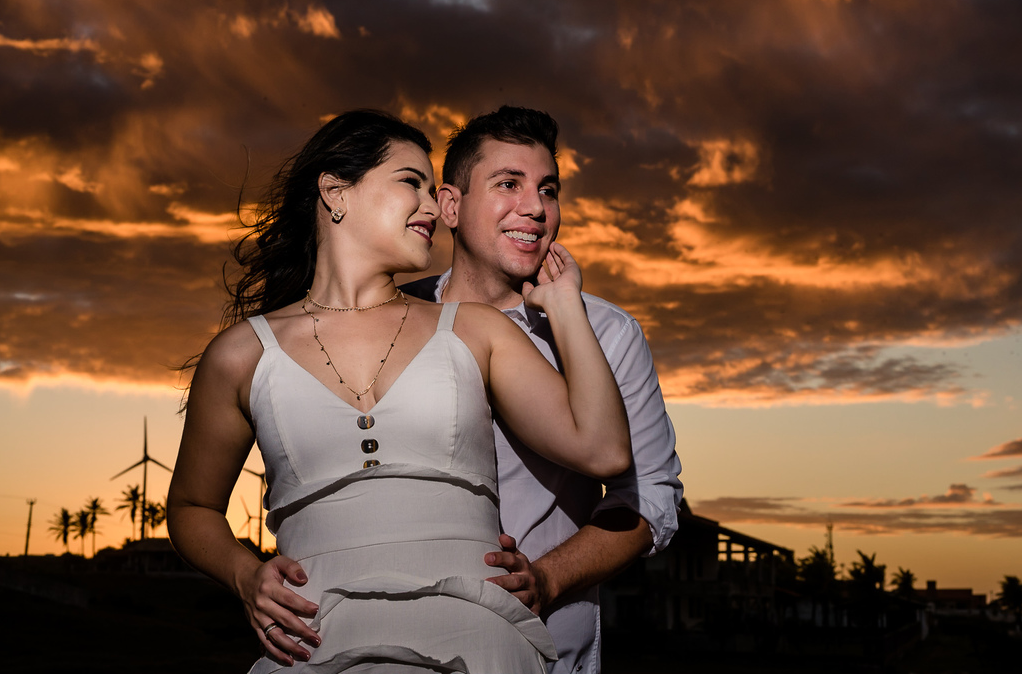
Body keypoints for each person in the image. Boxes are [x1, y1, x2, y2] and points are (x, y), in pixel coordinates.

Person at [167, 109, 633, 674]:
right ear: (336, 192)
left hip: (480, 644)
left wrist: (565, 306)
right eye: (411, 182)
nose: (435, 207)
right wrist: (244, 575)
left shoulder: (473, 329)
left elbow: (604, 450)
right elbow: (192, 507)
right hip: (314, 645)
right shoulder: (241, 355)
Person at [402, 106, 682, 674]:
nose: (535, 207)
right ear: (450, 206)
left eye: (548, 190)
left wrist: (549, 576)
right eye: (509, 183)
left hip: (544, 654)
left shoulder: (607, 333)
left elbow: (650, 498)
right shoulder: (391, 317)